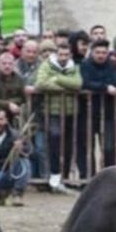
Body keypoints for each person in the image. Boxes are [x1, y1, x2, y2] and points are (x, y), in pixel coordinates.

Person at [35, 41, 82, 190]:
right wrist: (65, 89)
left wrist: (57, 79)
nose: (63, 57)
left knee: (68, 144)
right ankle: (55, 173)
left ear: (70, 55)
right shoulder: (46, 65)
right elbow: (41, 83)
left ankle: (66, 175)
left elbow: (78, 83)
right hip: (53, 111)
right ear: (56, 54)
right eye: (61, 54)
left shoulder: (74, 66)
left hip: (70, 111)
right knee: (54, 141)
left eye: (66, 54)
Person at [78, 39, 116, 172]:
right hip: (88, 112)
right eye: (98, 52)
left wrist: (99, 86)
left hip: (108, 112)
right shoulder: (85, 64)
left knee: (109, 147)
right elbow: (85, 83)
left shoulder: (112, 64)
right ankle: (87, 178)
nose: (101, 55)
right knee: (86, 147)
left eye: (104, 52)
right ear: (92, 52)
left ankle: (109, 177)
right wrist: (105, 86)